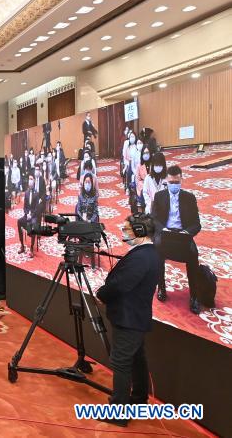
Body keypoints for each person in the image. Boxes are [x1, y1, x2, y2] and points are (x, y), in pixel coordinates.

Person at [96, 215, 161, 426]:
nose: (123, 232)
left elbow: (122, 284)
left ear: (141, 231)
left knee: (121, 362)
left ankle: (118, 412)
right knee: (136, 359)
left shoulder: (142, 257)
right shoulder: (148, 253)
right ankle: (139, 399)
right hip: (135, 315)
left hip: (129, 317)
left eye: (127, 229)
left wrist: (102, 294)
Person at [150, 165, 202, 313]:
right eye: (171, 182)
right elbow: (154, 219)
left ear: (181, 180)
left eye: (176, 182)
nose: (174, 185)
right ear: (167, 180)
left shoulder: (189, 198)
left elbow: (197, 224)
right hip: (166, 234)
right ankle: (161, 287)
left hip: (183, 235)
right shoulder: (159, 196)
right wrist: (162, 229)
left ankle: (194, 296)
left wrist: (187, 232)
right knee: (156, 251)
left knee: (193, 255)